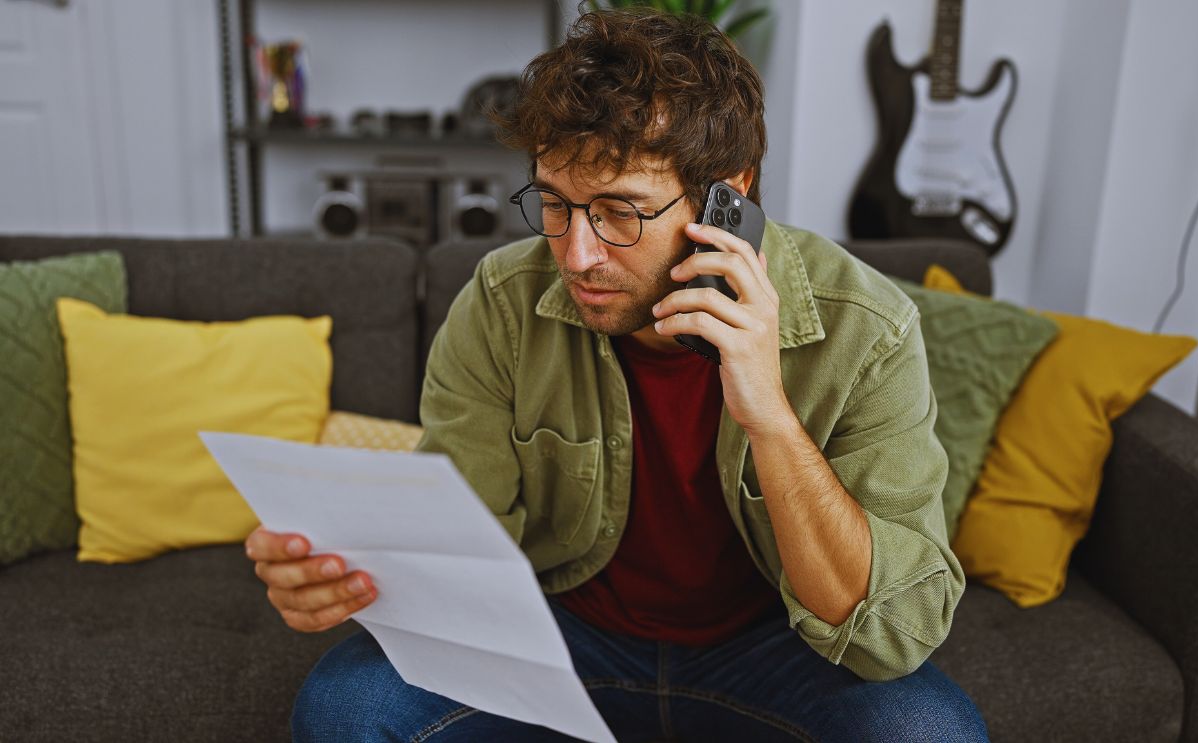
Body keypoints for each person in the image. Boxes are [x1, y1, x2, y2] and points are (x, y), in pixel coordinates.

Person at [246, 7, 989, 742]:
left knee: (929, 731)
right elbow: (464, 548)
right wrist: (352, 580)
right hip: (562, 638)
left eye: (620, 212)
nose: (576, 256)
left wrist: (769, 415)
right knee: (344, 706)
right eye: (556, 205)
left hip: (776, 649)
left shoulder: (866, 326)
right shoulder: (502, 305)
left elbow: (889, 634)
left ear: (727, 194)